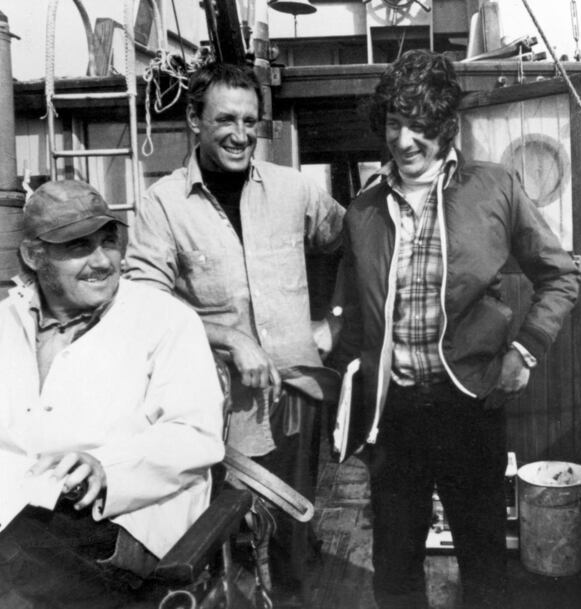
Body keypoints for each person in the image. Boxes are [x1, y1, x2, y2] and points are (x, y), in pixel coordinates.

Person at [332, 50, 581, 609]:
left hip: (470, 404)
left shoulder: (494, 187)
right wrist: (341, 398)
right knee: (393, 567)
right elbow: (352, 323)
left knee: (484, 562)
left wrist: (525, 351)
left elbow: (559, 276)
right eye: (395, 123)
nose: (404, 140)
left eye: (420, 123)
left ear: (445, 126)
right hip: (393, 419)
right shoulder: (363, 211)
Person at [125, 62, 345, 603]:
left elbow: (357, 245)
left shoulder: (296, 191)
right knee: (222, 544)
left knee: (294, 532)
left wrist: (333, 323)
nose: (241, 135)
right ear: (193, 121)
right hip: (217, 412)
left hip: (296, 397)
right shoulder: (162, 206)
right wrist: (230, 337)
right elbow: (142, 306)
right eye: (226, 120)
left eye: (251, 121)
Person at [0, 180, 225, 609]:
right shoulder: (5, 321)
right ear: (34, 255)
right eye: (79, 247)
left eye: (109, 242)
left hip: (121, 522)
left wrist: (106, 468)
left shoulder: (165, 319)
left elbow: (194, 433)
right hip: (19, 515)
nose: (102, 261)